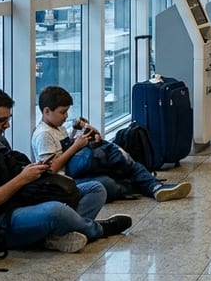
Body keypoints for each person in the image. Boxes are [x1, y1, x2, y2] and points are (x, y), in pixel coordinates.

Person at [0, 86, 131, 254]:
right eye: (2, 120)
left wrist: (31, 170)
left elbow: (10, 171)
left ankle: (57, 236)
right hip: (0, 219)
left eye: (8, 120)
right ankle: (96, 229)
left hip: (22, 198)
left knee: (95, 189)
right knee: (56, 211)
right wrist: (22, 179)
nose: (7, 125)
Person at [32, 86, 191, 202]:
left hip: (75, 169)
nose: (66, 116)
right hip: (64, 179)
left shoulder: (57, 127)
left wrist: (76, 132)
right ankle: (149, 185)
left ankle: (151, 186)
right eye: (62, 112)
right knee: (107, 180)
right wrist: (76, 146)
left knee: (109, 167)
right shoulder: (43, 134)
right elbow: (51, 168)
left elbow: (63, 148)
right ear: (47, 111)